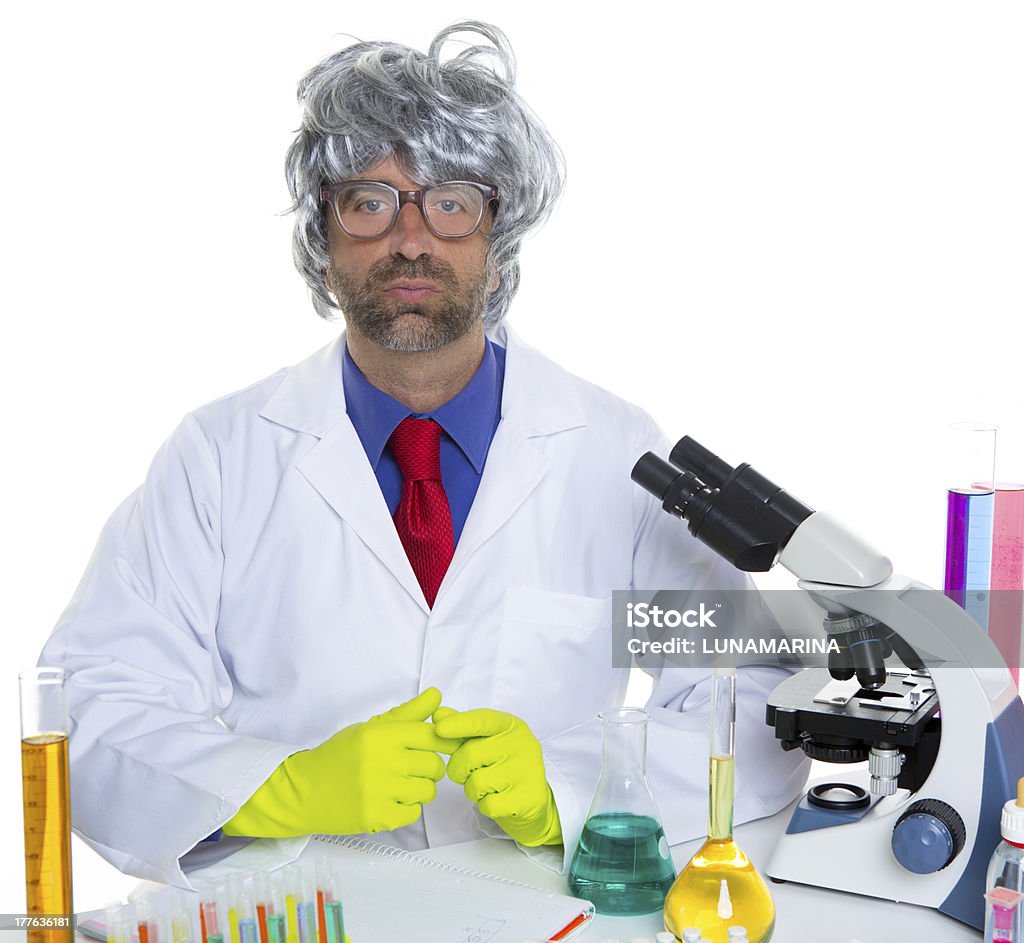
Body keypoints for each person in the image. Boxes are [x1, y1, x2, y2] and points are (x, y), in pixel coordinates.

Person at [40, 21, 807, 887]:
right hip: (302, 907)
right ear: (322, 238)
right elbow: (93, 702)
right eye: (369, 201)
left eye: (451, 201)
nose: (411, 238)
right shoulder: (219, 458)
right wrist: (280, 785)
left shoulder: (614, 453)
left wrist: (571, 786)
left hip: (540, 905)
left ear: (497, 232)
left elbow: (747, 697)